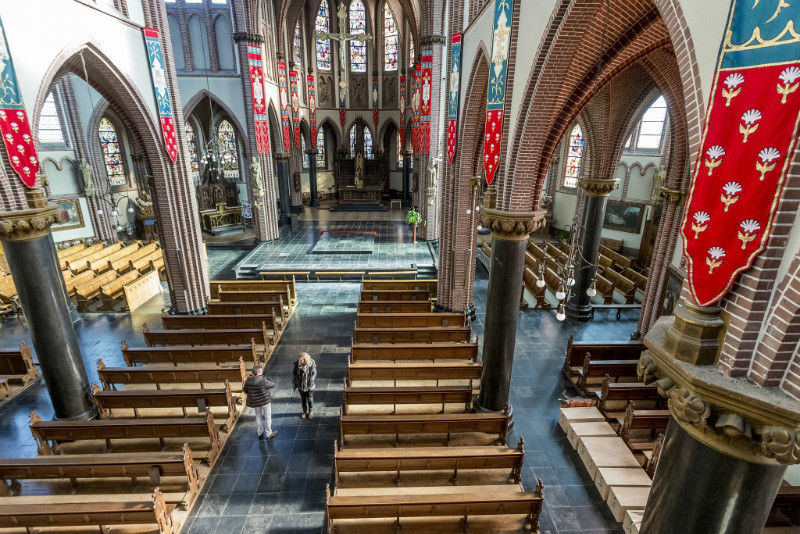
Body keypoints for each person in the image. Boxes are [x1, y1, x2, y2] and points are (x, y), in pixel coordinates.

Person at [242, 365, 277, 439]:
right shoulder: (263, 380)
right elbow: (272, 384)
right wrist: (268, 378)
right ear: (258, 373)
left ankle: (260, 433)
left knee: (258, 416)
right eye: (261, 371)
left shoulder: (248, 381)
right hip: (265, 401)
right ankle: (268, 433)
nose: (262, 371)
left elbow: (245, 391)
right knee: (267, 416)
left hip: (255, 402)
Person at [293, 352, 317, 419]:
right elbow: (294, 372)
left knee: (309, 398)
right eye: (299, 360)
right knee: (303, 398)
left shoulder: (311, 365)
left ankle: (311, 411)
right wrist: (295, 380)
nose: (299, 361)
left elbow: (314, 373)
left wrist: (311, 379)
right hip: (301, 385)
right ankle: (304, 411)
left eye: (301, 360)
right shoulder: (297, 365)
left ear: (305, 360)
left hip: (309, 385)